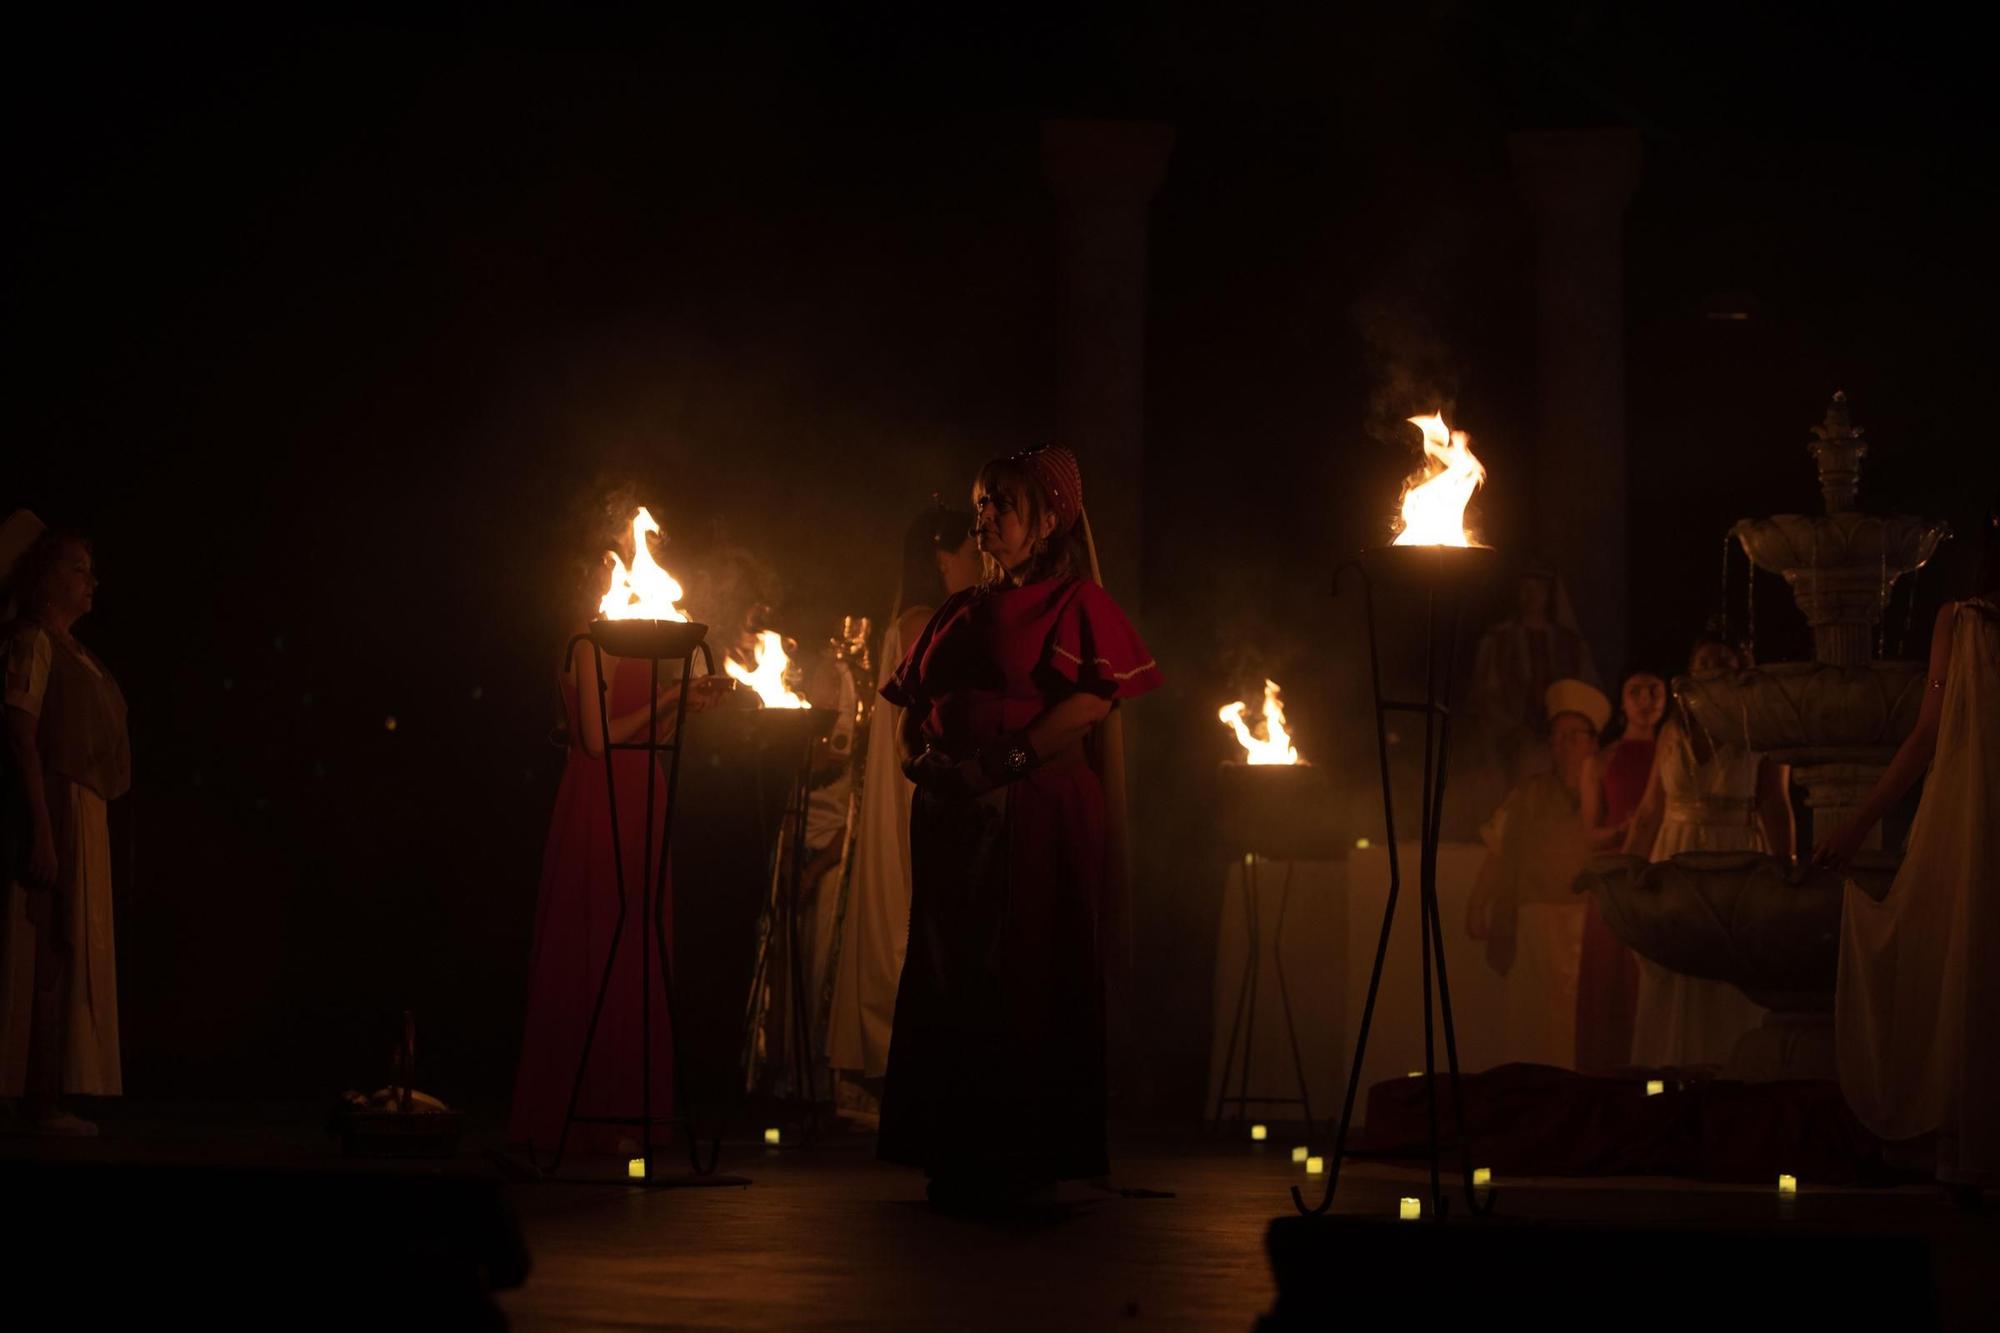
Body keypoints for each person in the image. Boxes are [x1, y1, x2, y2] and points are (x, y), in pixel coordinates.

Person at [878, 447, 1161, 1208]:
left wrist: (1000, 762)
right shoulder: (958, 609)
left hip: (1030, 811)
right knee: (952, 976)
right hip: (955, 816)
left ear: (1045, 523)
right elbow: (914, 704)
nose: (985, 515)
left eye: (1003, 502)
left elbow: (1091, 704)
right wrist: (926, 764)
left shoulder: (1073, 604)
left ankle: (1021, 1154)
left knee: (1024, 972)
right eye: (981, 501)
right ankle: (956, 1147)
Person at [506, 545, 731, 1159]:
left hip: (642, 799)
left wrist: (688, 701)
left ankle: (632, 1114)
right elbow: (601, 741)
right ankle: (581, 1116)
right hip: (599, 803)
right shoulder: (588, 639)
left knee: (637, 945)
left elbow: (645, 732)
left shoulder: (631, 641)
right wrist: (669, 698)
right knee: (598, 941)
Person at [1818, 499, 2000, 1194]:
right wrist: (1859, 821)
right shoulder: (1962, 622)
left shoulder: (1963, 621)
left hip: (1973, 813)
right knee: (1965, 957)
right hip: (1969, 814)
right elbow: (1926, 735)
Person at [824, 504, 979, 1109]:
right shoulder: (925, 622)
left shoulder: (922, 617)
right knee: (909, 911)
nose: (979, 563)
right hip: (918, 781)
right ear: (943, 560)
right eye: (971, 553)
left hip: (917, 777)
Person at [1, 515, 129, 1136]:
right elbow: (21, 736)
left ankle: (48, 1092)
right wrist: (44, 827)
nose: (90, 582)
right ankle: (35, 1100)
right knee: (48, 943)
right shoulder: (34, 641)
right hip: (55, 802)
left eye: (91, 572)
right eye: (77, 569)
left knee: (69, 947)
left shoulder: (80, 654)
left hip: (83, 809)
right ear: (45, 578)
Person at [1621, 637, 1794, 1070]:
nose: (1713, 668)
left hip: (1735, 854)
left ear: (1741, 669)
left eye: (1723, 661)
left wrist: (1786, 867)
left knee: (1729, 967)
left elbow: (1775, 802)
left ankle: (1732, 1068)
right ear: (1690, 673)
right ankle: (1670, 1068)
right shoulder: (1673, 729)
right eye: (1703, 662)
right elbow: (1648, 811)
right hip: (1676, 853)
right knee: (1677, 966)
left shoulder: (1761, 728)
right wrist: (1623, 869)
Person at [1465, 679, 1608, 1069]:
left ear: (1593, 742)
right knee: (1533, 1018)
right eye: (1557, 736)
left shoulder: (1607, 792)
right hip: (1535, 917)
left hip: (1589, 922)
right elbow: (1499, 849)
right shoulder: (1529, 793)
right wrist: (1479, 902)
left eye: (1573, 736)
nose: (1562, 745)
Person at [1572, 668, 1667, 1071]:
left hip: (1661, 873)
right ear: (1623, 701)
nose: (1646, 699)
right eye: (1635, 691)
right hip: (1616, 878)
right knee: (1610, 978)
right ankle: (1605, 1070)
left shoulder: (1676, 751)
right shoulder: (1601, 761)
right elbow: (1588, 832)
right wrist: (1624, 829)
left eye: (1653, 690)